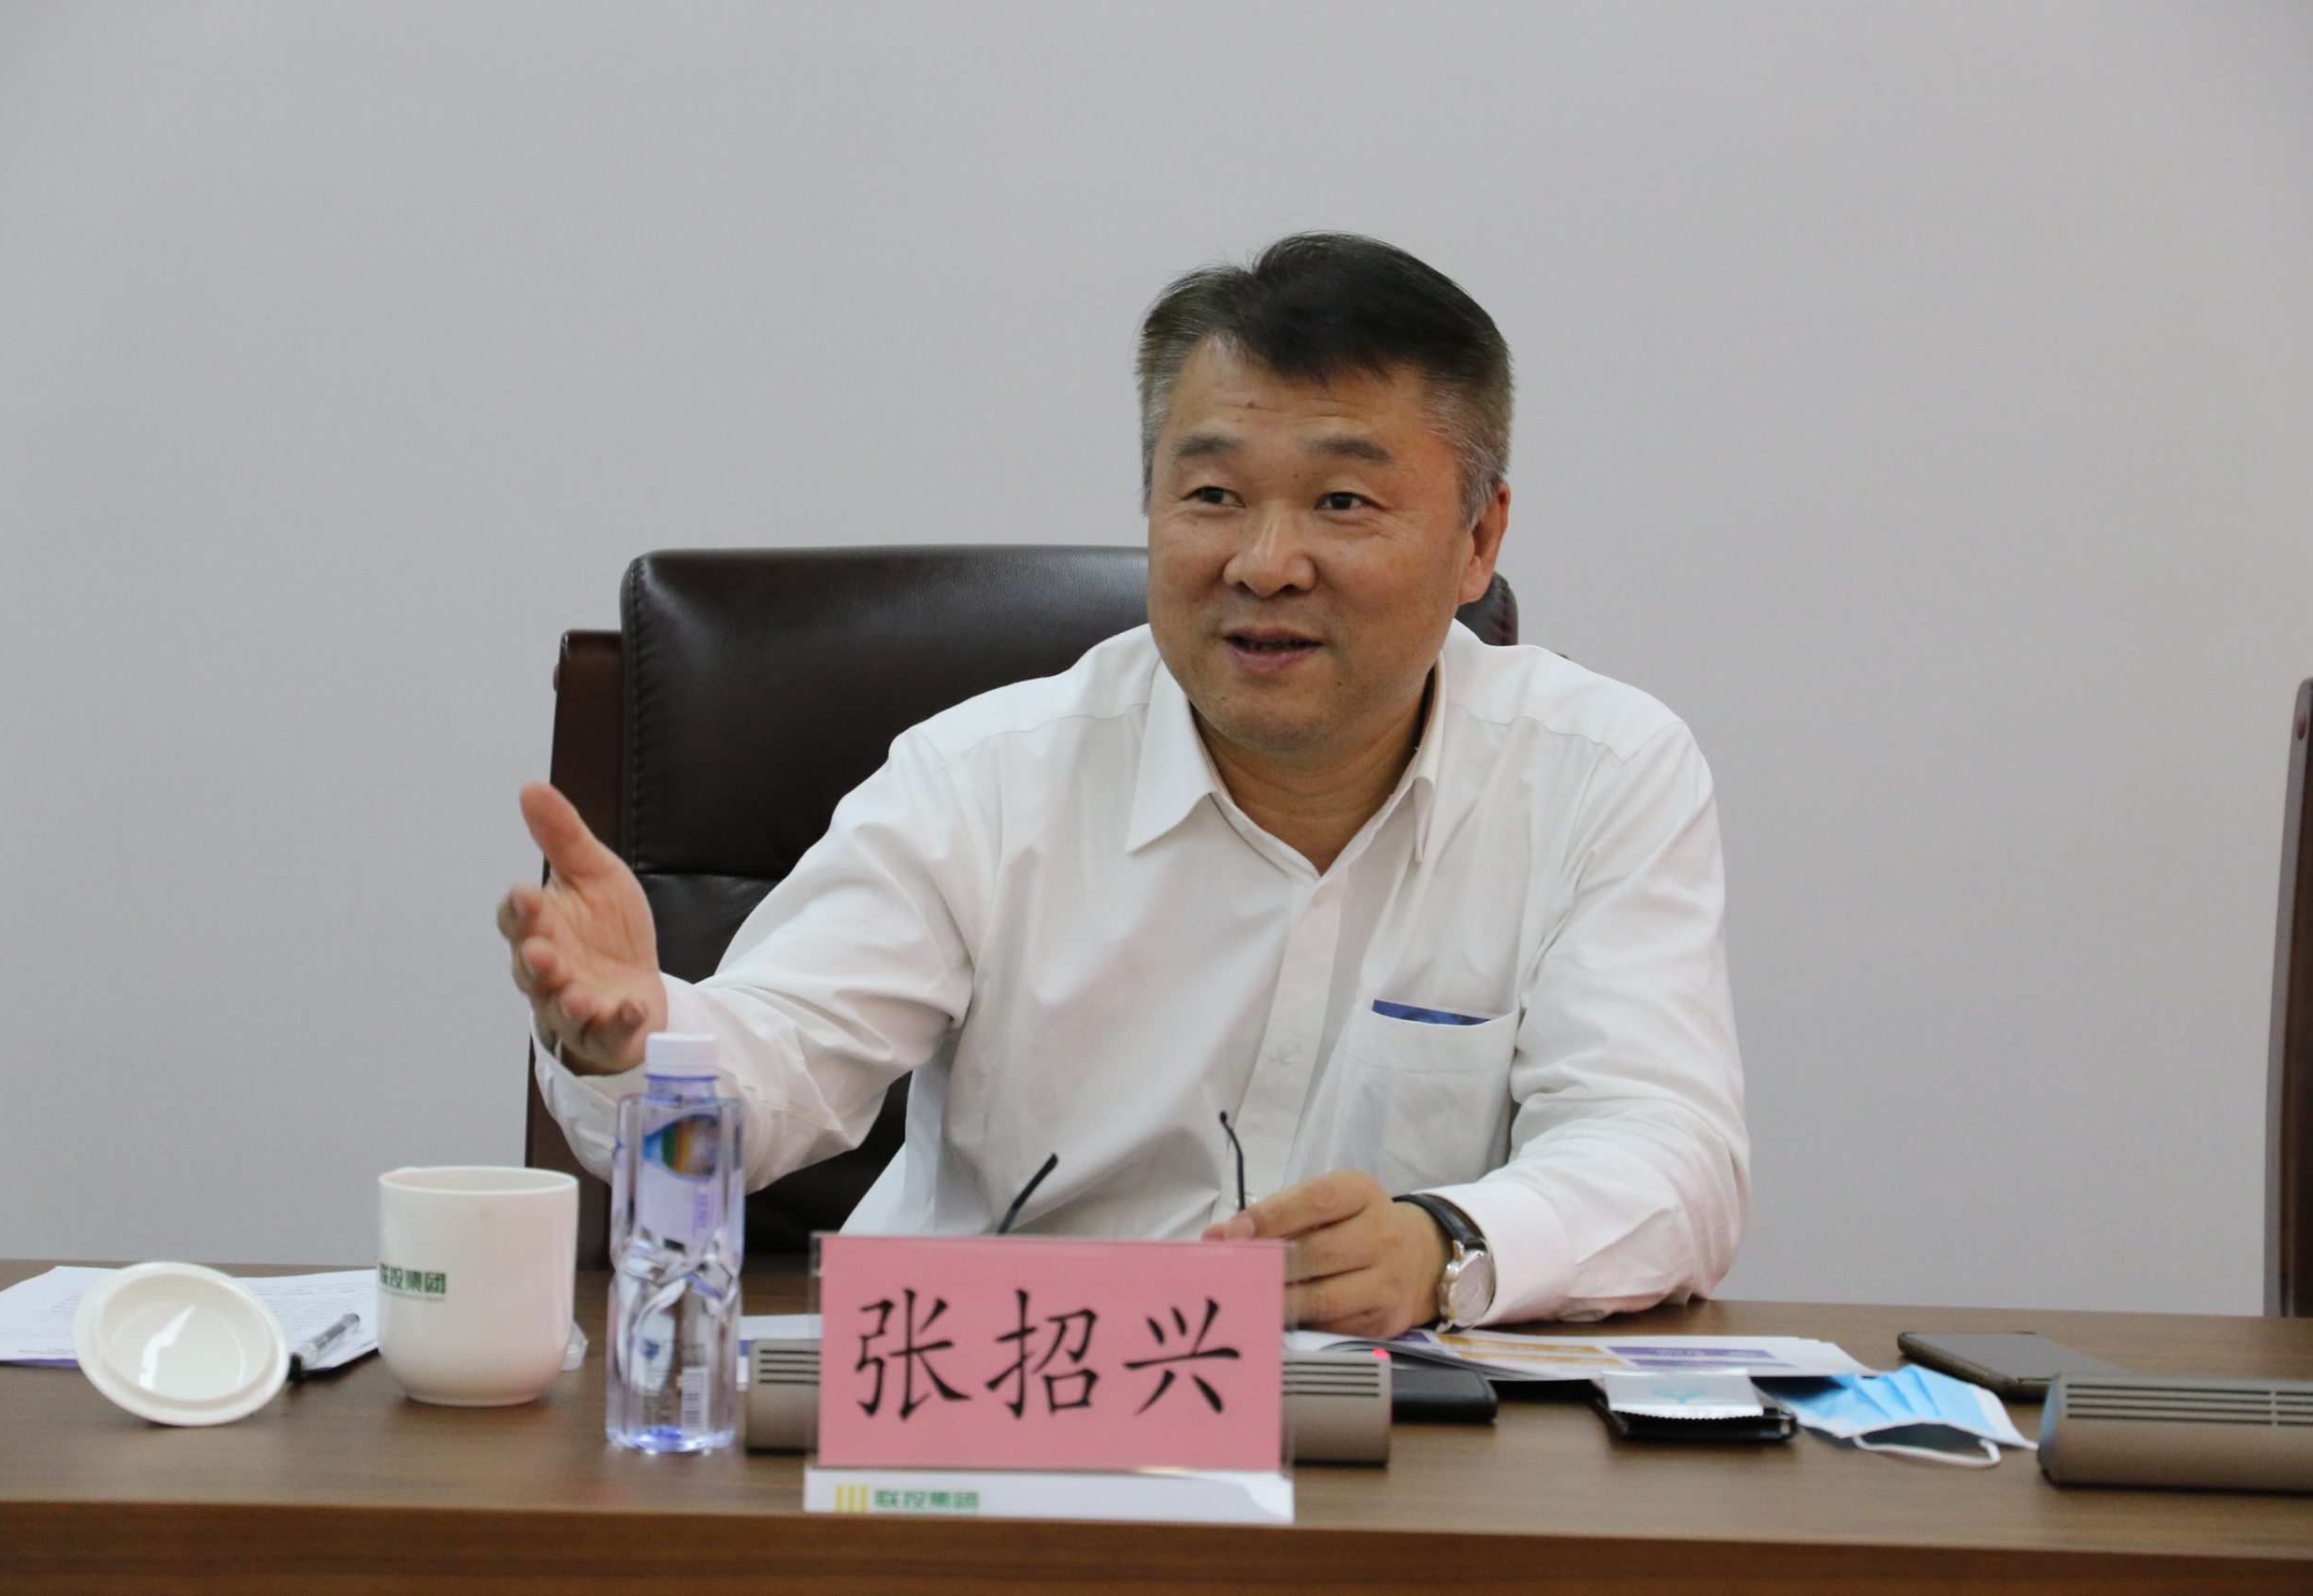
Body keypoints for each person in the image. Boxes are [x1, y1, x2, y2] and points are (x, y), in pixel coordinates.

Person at [499, 233, 1747, 1336]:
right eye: (1212, 496)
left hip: (1396, 1444)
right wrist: (641, 1042)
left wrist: (1444, 1248)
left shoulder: (1600, 774)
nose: (1265, 563)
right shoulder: (985, 781)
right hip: (996, 1414)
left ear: (1480, 539)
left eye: (1342, 501)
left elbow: (1668, 1152)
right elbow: (769, 1072)